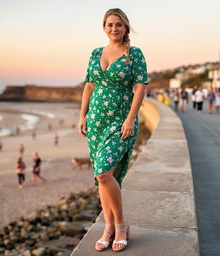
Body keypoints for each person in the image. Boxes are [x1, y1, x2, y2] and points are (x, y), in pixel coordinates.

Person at [77, 8, 147, 252]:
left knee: (105, 172)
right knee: (100, 176)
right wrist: (82, 114)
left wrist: (130, 119)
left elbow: (140, 88)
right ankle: (107, 227)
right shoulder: (96, 53)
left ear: (126, 27)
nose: (114, 29)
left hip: (121, 120)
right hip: (96, 121)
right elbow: (89, 84)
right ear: (104, 27)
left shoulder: (134, 54)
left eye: (119, 24)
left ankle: (120, 225)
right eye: (109, 25)